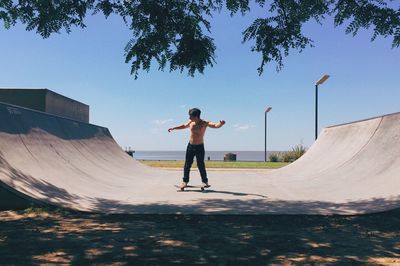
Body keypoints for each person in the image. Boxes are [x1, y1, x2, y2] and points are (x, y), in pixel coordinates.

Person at [168, 108, 226, 188]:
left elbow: (215, 125)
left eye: (190, 116)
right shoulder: (191, 122)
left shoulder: (204, 123)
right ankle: (185, 181)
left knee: (200, 164)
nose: (189, 118)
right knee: (187, 164)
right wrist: (174, 128)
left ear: (196, 116)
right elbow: (184, 126)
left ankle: (205, 182)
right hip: (190, 146)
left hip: (200, 146)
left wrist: (221, 124)